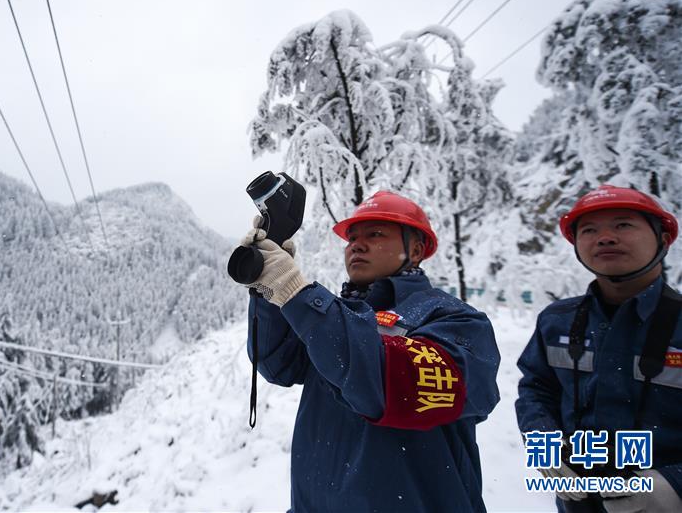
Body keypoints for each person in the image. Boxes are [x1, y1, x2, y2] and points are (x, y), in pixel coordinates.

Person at [243, 190, 501, 512]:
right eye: (351, 239)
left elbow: (393, 383)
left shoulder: (456, 320)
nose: (357, 245)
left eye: (375, 234)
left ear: (417, 250)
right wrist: (270, 294)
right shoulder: (336, 317)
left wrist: (298, 295)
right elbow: (277, 363)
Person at [515, 185, 682, 512]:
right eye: (589, 230)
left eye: (623, 225)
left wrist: (671, 486)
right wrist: (544, 442)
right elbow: (537, 389)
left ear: (663, 240)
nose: (604, 238)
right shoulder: (557, 322)